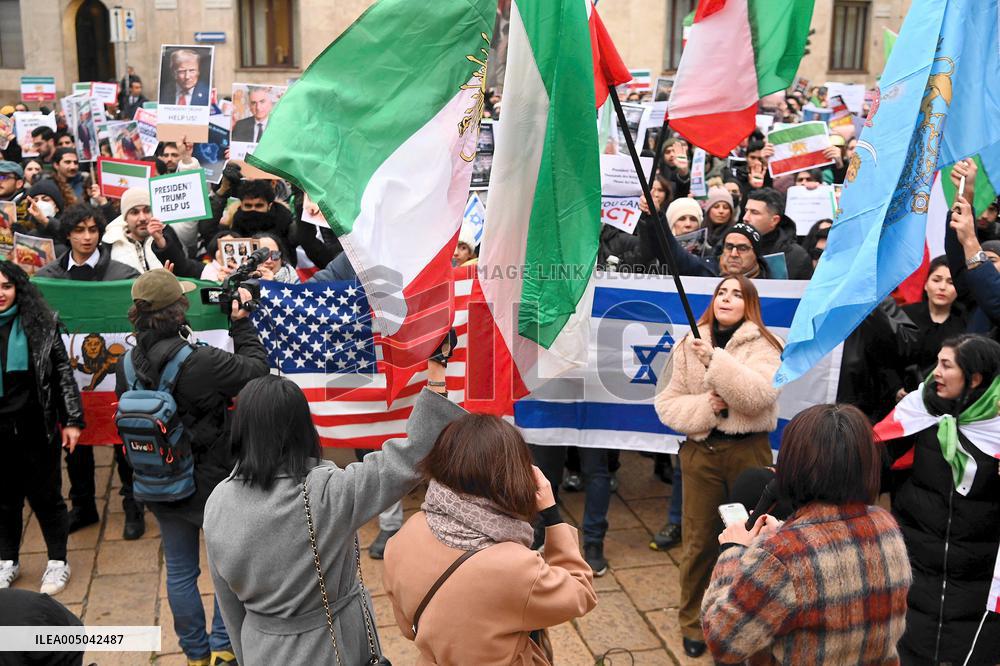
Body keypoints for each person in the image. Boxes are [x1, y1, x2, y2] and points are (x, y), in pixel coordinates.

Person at [204, 376, 465, 666]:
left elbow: (228, 606)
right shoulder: (326, 493)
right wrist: (437, 377)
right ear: (301, 428)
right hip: (331, 648)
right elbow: (411, 456)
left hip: (261, 648)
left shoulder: (217, 501)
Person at [115, 269, 269, 666]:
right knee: (225, 570)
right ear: (178, 309)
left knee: (180, 571)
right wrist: (242, 324)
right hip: (212, 483)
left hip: (158, 480)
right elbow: (255, 371)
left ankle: (195, 655)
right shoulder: (200, 360)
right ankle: (223, 647)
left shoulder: (126, 365)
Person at [701, 404, 911, 664]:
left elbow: (722, 641)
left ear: (794, 464)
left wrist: (733, 551)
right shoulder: (885, 525)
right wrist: (786, 537)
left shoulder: (781, 556)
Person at [383, 414, 597, 665]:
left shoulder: (406, 534)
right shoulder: (515, 566)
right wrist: (552, 514)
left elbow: (409, 629)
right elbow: (580, 593)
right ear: (514, 472)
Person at [654, 275, 783, 658]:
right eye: (721, 292)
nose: (726, 298)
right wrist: (704, 408)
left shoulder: (767, 344)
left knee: (755, 540)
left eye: (736, 294)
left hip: (749, 454)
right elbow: (667, 403)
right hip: (702, 454)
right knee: (698, 541)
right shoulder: (688, 344)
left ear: (750, 304)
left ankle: (748, 619)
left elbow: (759, 395)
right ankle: (693, 620)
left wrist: (715, 359)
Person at [879, 335, 1000, 665]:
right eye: (938, 362)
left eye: (947, 365)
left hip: (975, 602)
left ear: (975, 378)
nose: (936, 373)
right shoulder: (921, 412)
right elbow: (872, 459)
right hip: (914, 588)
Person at [35, 205, 144, 538]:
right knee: (76, 442)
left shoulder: (123, 275)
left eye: (93, 230)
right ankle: (83, 506)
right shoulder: (50, 277)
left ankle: (133, 504)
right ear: (67, 234)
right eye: (79, 230)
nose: (87, 237)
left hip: (117, 380)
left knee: (124, 440)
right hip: (69, 382)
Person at [0, 261, 83, 595]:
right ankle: (8, 560)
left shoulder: (42, 324)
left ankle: (57, 561)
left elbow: (63, 372)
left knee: (47, 497)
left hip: (37, 427)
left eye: (5, 286)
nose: (0, 294)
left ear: (18, 288)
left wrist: (73, 420)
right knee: (4, 500)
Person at [897, 256, 967, 398]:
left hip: (943, 399)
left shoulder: (965, 324)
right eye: (936, 280)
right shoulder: (903, 315)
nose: (942, 287)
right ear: (926, 284)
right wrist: (896, 389)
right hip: (899, 396)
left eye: (950, 282)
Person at [742, 188, 813, 279]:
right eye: (746, 211)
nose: (745, 218)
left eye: (754, 212)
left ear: (774, 220)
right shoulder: (730, 246)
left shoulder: (796, 257)